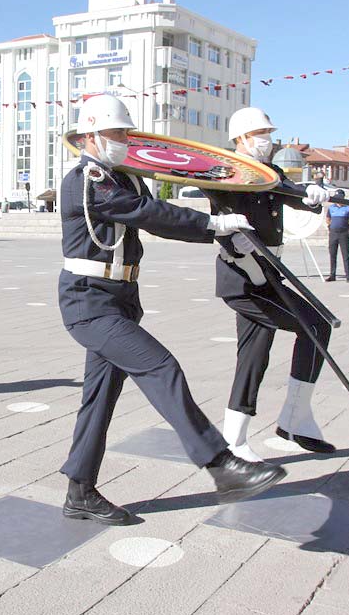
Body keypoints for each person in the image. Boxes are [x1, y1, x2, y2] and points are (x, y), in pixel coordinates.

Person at [58, 94, 286, 526]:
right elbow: (145, 212)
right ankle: (221, 465)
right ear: (89, 136)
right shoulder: (87, 179)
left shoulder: (123, 176)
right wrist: (211, 224)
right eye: (115, 133)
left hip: (119, 298)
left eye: (125, 132)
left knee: (99, 397)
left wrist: (220, 231)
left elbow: (154, 217)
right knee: (161, 366)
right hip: (89, 301)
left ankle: (80, 492)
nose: (124, 140)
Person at [204, 106, 338, 459]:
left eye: (268, 133)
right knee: (316, 326)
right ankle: (293, 420)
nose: (267, 139)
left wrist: (312, 196)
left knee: (254, 355)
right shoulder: (225, 172)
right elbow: (220, 216)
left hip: (268, 274)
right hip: (243, 278)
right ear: (241, 138)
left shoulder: (270, 172)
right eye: (260, 134)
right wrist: (234, 241)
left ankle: (237, 439)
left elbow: (290, 193)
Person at [325, 190, 349, 283]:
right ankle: (332, 275)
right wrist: (330, 226)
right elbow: (328, 219)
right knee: (332, 254)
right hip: (333, 233)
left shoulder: (348, 208)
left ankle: (348, 275)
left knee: (345, 254)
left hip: (343, 233)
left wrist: (347, 227)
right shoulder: (331, 208)